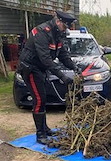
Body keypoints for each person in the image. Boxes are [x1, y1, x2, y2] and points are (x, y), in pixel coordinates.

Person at [17, 11, 80, 144]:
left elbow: (63, 55)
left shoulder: (58, 33)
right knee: (39, 99)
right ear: (58, 22)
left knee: (43, 97)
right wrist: (62, 76)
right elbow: (45, 59)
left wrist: (74, 67)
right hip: (31, 68)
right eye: (65, 26)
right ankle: (40, 135)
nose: (66, 29)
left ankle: (45, 128)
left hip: (41, 69)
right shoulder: (42, 32)